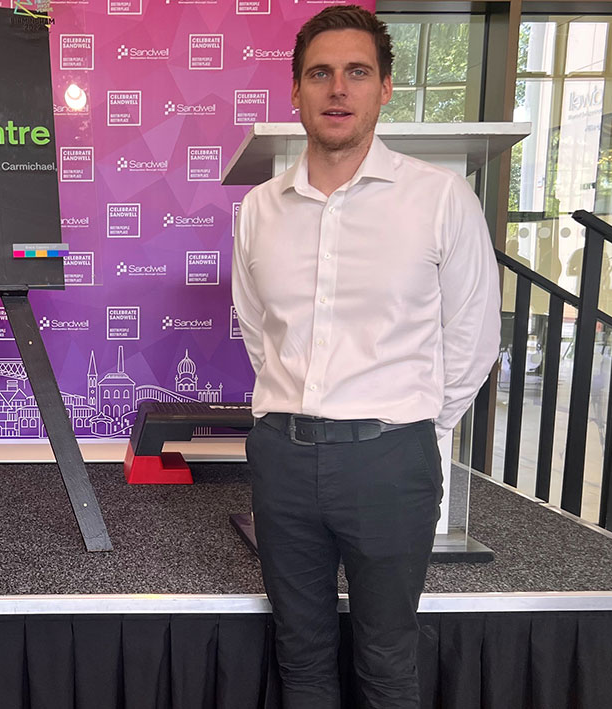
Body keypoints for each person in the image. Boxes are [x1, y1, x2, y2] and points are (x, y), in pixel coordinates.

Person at [231, 6, 501, 707]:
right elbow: (261, 332)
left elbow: (471, 340)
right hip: (282, 459)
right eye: (319, 74)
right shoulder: (259, 209)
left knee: (385, 658)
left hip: (389, 460)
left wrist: (409, 425)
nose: (336, 89)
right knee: (301, 656)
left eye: (356, 72)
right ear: (295, 91)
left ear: (384, 88)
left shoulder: (439, 199)